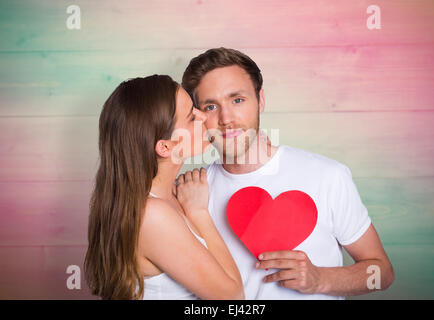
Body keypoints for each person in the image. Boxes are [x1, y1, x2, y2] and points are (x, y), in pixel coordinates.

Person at [180, 47, 395, 299]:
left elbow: (383, 274)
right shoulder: (189, 194)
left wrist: (321, 280)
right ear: (197, 115)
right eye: (210, 106)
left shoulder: (328, 176)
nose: (226, 118)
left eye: (237, 100)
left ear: (260, 100)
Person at [84, 75, 244, 300]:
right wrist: (199, 214)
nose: (204, 116)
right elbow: (233, 298)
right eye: (191, 118)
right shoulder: (152, 215)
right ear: (166, 147)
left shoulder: (166, 197)